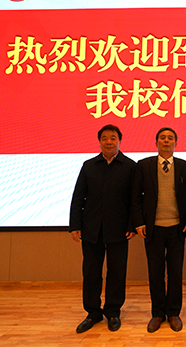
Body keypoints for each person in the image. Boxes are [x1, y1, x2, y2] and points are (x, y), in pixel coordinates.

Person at [69, 124, 137, 333]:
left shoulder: (130, 166)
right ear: (99, 142)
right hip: (92, 228)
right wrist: (75, 225)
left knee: (117, 272)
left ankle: (113, 312)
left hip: (119, 229)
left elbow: (135, 200)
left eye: (113, 138)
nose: (109, 142)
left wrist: (132, 225)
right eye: (105, 138)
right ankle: (93, 312)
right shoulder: (89, 166)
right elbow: (78, 197)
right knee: (91, 272)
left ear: (119, 141)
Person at [131, 127, 186, 333]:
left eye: (170, 138)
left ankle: (174, 313)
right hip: (153, 229)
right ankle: (158, 313)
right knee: (155, 272)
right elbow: (136, 196)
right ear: (156, 143)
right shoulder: (144, 165)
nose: (166, 141)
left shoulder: (185, 166)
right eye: (162, 138)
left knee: (176, 272)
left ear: (176, 143)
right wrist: (139, 222)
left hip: (177, 228)